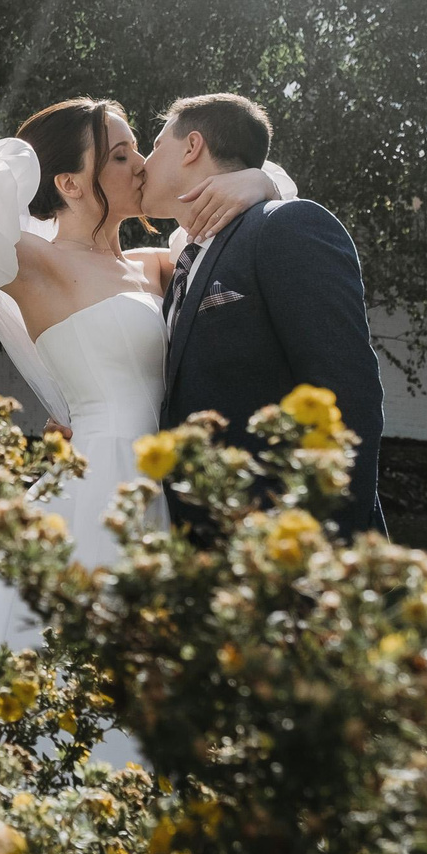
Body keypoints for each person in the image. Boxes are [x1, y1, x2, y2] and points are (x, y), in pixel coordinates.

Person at [0, 35, 290, 659]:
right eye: (122, 155)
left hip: (164, 488)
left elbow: (268, 216)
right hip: (93, 488)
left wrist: (255, 180)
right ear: (71, 184)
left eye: (136, 151)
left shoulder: (162, 265)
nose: (141, 166)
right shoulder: (38, 265)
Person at [137, 93, 387, 534]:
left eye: (156, 145)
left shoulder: (284, 226)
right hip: (201, 536)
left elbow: (347, 391)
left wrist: (327, 538)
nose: (143, 162)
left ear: (192, 146)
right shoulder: (186, 261)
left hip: (283, 538)